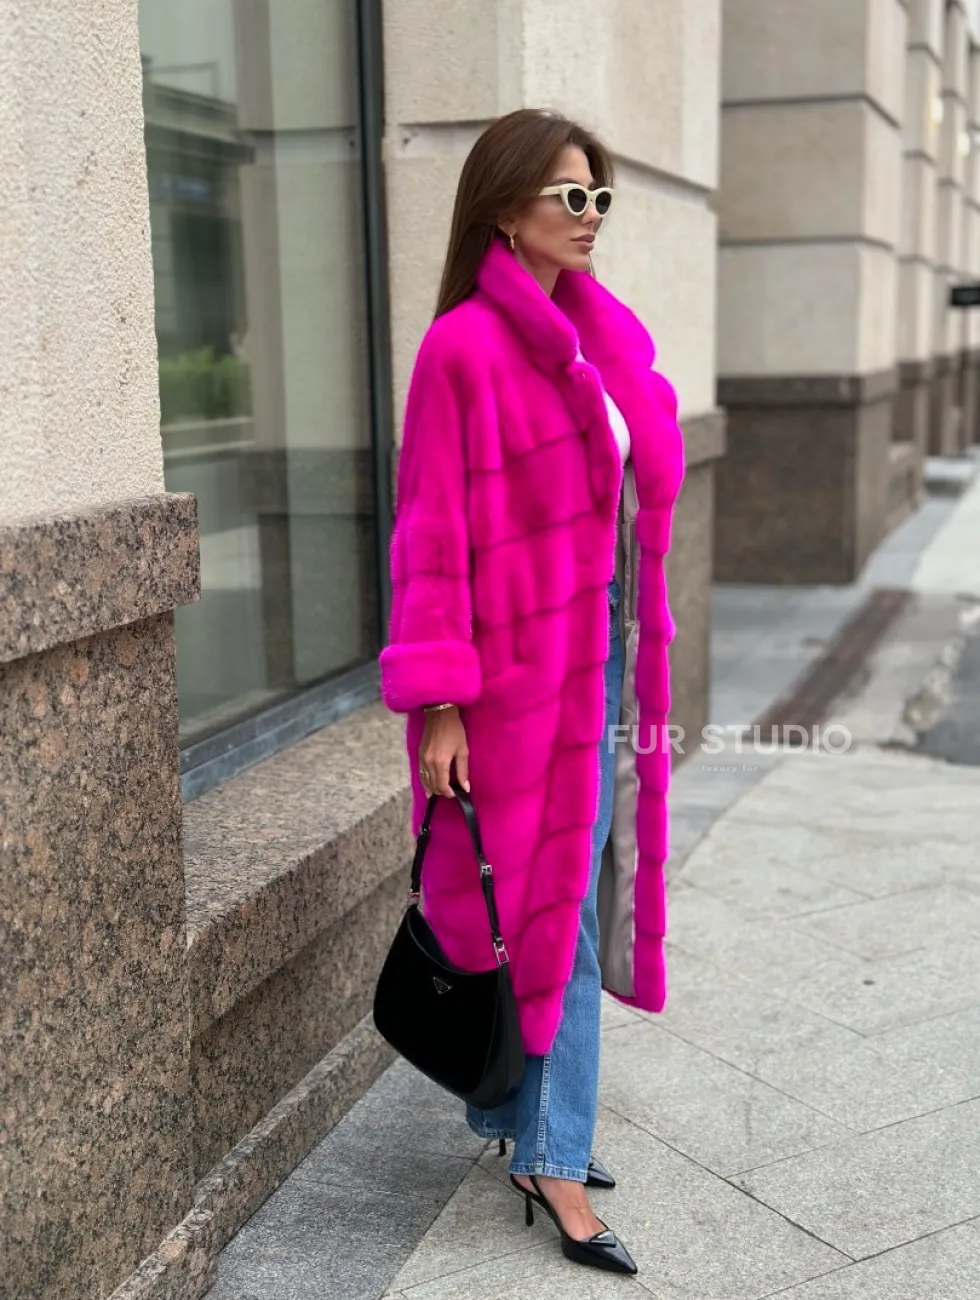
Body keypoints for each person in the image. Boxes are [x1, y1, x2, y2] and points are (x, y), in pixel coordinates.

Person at [379, 108, 685, 1277]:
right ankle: (553, 1159)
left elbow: (634, 484)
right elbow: (431, 535)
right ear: (506, 208)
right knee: (547, 920)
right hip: (510, 687)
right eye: (569, 195)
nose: (590, 215)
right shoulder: (460, 348)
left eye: (599, 196)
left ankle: (524, 1126)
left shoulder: (592, 340)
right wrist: (438, 702)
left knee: (557, 904)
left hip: (595, 660)